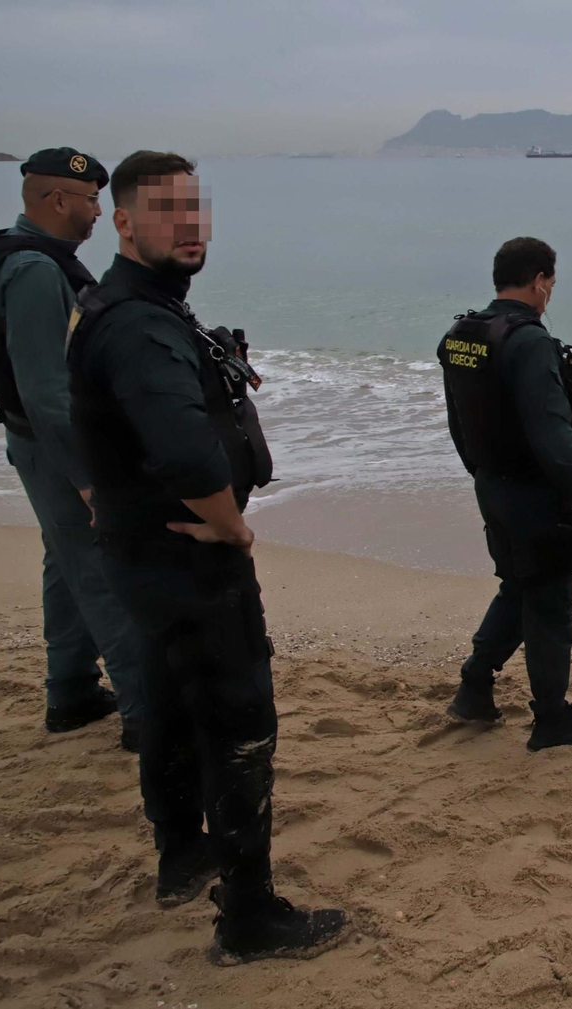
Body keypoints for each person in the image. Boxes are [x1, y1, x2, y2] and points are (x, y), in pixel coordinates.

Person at [67, 150, 345, 962]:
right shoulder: (139, 321)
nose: (190, 226)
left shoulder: (130, 304)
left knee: (168, 698)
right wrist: (231, 526)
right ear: (121, 222)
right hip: (187, 560)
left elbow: (107, 427)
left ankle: (182, 853)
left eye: (197, 209)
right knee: (240, 723)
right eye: (166, 211)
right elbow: (188, 456)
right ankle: (251, 917)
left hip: (144, 553)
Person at [0, 147, 147, 749]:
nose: (100, 211)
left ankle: (70, 691)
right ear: (57, 199)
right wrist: (88, 477)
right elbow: (46, 391)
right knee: (103, 570)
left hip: (41, 445)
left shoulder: (29, 258)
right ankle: (146, 715)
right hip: (55, 450)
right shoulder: (36, 271)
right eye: (93, 199)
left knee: (66, 563)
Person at [438, 237, 572, 751]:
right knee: (549, 601)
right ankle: (551, 719)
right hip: (532, 494)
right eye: (551, 283)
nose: (550, 292)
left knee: (519, 586)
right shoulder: (528, 343)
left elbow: (458, 421)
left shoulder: (462, 333)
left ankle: (474, 687)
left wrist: (484, 475)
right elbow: (553, 436)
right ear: (540, 281)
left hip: (492, 485)